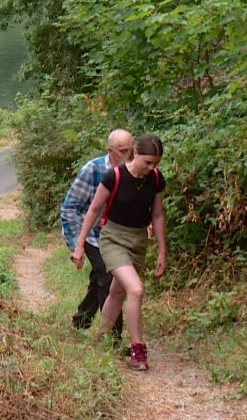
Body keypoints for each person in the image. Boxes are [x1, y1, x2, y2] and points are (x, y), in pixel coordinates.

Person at [71, 133, 166, 371]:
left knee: (116, 292)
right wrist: (80, 245)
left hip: (138, 242)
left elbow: (157, 215)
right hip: (112, 239)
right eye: (148, 162)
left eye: (156, 163)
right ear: (136, 154)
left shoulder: (155, 179)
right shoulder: (113, 176)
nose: (151, 167)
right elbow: (93, 211)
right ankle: (138, 349)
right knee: (136, 289)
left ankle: (101, 340)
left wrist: (162, 251)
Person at [60, 129, 133, 338]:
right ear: (111, 151)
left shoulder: (134, 170)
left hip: (116, 236)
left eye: (131, 149)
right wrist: (77, 245)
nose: (129, 156)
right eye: (123, 151)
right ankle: (113, 338)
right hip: (90, 234)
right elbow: (69, 208)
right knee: (108, 277)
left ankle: (81, 320)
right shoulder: (93, 170)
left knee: (99, 278)